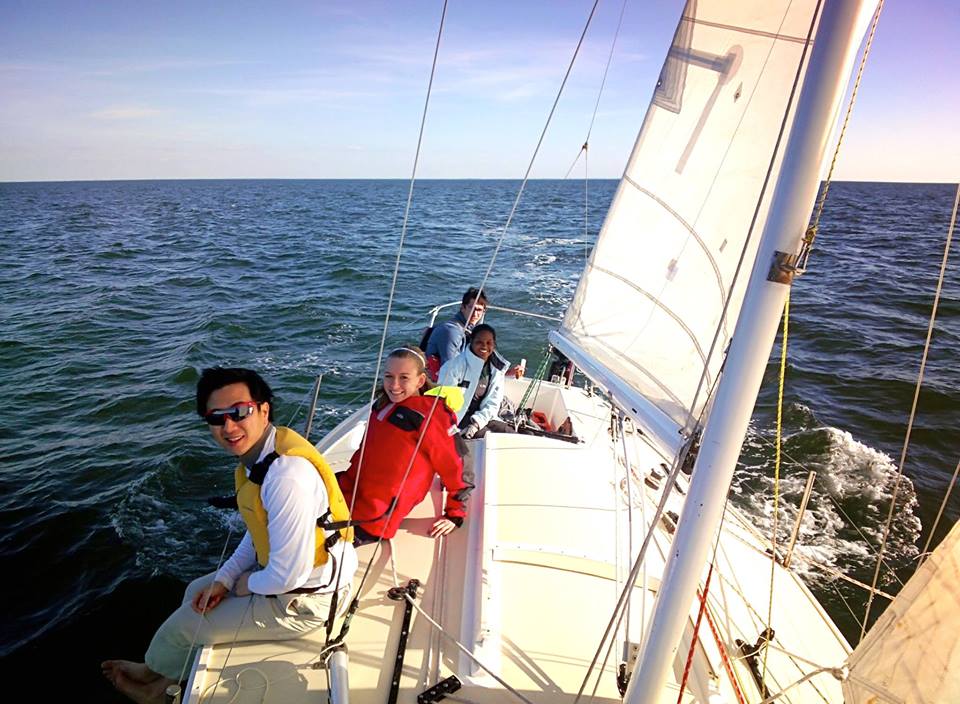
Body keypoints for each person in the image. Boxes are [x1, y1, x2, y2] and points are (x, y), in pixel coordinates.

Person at [102, 367, 357, 704]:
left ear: (263, 409)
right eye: (216, 418)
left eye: (239, 412)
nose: (229, 426)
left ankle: (151, 682)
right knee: (196, 591)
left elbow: (288, 576)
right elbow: (257, 532)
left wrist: (245, 583)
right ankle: (162, 676)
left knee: (181, 628)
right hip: (293, 584)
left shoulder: (285, 477)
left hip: (308, 603)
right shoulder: (261, 459)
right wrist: (225, 579)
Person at [338, 346, 473, 545]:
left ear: (420, 380)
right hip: (351, 487)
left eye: (404, 378)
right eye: (389, 376)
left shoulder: (430, 417)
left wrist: (455, 514)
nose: (394, 385)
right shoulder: (383, 405)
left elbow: (456, 464)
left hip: (377, 514)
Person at [437, 323, 510, 439]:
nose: (484, 346)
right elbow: (445, 405)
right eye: (479, 342)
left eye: (489, 343)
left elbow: (493, 403)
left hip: (483, 418)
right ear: (471, 341)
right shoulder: (453, 367)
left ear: (494, 344)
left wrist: (476, 424)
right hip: (458, 419)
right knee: (489, 439)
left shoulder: (497, 369)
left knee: (510, 434)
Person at [424, 287, 488, 378]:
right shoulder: (451, 332)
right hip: (438, 382)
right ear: (462, 308)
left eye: (479, 310)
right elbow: (451, 371)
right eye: (471, 308)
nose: (475, 314)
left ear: (483, 312)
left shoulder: (470, 330)